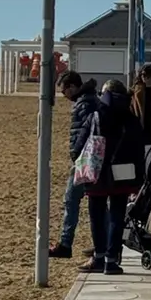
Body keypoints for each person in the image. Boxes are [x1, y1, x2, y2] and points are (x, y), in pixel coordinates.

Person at [79, 79, 146, 274]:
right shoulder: (130, 117)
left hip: (97, 172)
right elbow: (138, 147)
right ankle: (111, 260)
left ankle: (99, 256)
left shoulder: (97, 115)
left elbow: (79, 143)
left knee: (96, 216)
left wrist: (79, 160)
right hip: (123, 172)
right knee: (117, 216)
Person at [49, 71, 98, 259]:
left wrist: (77, 153)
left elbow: (87, 131)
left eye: (64, 91)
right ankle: (100, 242)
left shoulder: (85, 104)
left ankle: (66, 243)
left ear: (72, 87)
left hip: (85, 160)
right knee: (93, 202)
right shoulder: (87, 100)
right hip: (86, 159)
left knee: (75, 200)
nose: (64, 95)